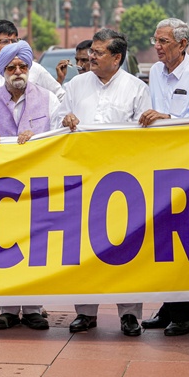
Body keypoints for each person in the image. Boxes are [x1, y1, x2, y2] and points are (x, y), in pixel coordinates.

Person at [53, 28, 151, 337]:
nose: (90, 57)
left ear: (116, 57)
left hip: (124, 181)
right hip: (82, 179)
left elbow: (146, 134)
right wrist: (65, 120)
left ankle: (130, 314)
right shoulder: (75, 85)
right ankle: (85, 313)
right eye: (91, 52)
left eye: (97, 52)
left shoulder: (137, 89)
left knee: (127, 248)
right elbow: (56, 121)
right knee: (82, 247)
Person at [138, 18, 189, 336]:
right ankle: (170, 308)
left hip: (188, 167)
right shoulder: (155, 72)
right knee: (161, 240)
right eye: (155, 40)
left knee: (182, 239)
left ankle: (183, 314)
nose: (157, 46)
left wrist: (168, 118)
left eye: (163, 41)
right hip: (157, 165)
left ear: (183, 44)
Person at [0, 40, 58, 331]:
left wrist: (37, 138)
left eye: (22, 66)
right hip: (2, 188)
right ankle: (8, 310)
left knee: (35, 246)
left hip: (37, 185)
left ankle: (34, 309)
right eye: (11, 67)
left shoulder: (48, 99)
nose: (18, 71)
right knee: (5, 245)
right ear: (2, 70)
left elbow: (60, 135)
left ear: (29, 68)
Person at [0, 19, 64, 100]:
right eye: (5, 41)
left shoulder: (34, 69)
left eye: (14, 41)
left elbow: (60, 96)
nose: (11, 46)